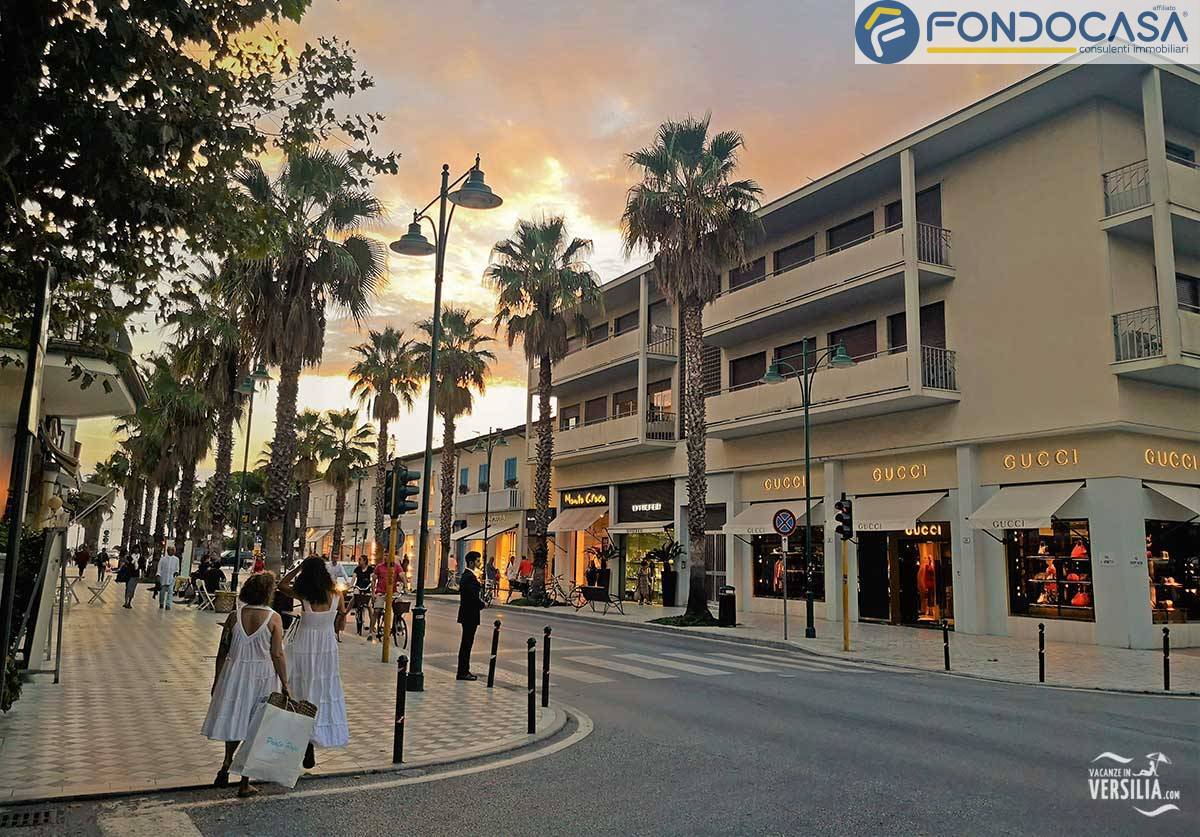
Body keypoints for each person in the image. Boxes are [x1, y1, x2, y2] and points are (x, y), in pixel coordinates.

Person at [201, 572, 289, 799]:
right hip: (262, 677)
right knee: (255, 726)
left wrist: (217, 679)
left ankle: (226, 762)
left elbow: (222, 650)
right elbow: (277, 654)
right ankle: (244, 781)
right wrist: (285, 682)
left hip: (235, 674)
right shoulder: (274, 618)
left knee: (235, 719)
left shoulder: (234, 616)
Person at [277, 557, 349, 770]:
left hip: (305, 645)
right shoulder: (336, 594)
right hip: (327, 646)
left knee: (302, 688)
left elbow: (281, 585)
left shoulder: (305, 595)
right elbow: (341, 618)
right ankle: (315, 734)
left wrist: (298, 567)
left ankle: (304, 738)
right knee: (323, 689)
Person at [456, 551, 484, 680]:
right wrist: (481, 604)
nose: (479, 563)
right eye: (478, 561)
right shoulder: (469, 577)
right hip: (469, 615)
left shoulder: (467, 576)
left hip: (467, 614)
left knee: (466, 644)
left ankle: (464, 670)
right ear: (471, 562)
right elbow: (472, 597)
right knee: (467, 644)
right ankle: (463, 672)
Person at [371, 553, 400, 642]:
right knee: (376, 610)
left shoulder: (396, 567)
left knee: (400, 606)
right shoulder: (379, 567)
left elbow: (402, 575)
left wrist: (406, 586)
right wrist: (373, 593)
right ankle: (371, 631)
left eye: (388, 555)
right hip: (381, 592)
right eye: (385, 555)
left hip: (392, 593)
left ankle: (397, 624)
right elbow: (374, 580)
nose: (386, 557)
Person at [351, 556, 373, 636]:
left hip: (367, 588)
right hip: (358, 587)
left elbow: (372, 578)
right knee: (354, 597)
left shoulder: (370, 569)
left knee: (369, 606)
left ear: (365, 561)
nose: (359, 561)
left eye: (360, 560)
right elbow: (354, 578)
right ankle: (345, 612)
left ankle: (372, 623)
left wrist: (372, 584)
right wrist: (351, 585)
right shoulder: (357, 569)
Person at [157, 546, 180, 610]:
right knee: (162, 591)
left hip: (171, 577)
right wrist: (158, 575)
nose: (171, 551)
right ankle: (161, 603)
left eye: (172, 550)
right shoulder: (163, 559)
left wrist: (176, 572)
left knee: (170, 591)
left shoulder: (176, 559)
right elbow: (159, 568)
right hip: (163, 577)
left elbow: (177, 568)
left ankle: (168, 605)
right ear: (167, 551)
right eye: (170, 550)